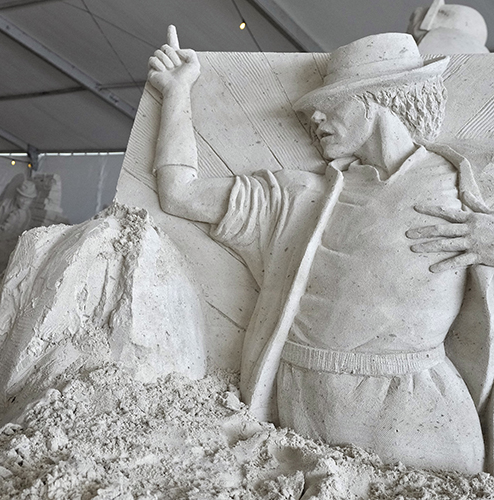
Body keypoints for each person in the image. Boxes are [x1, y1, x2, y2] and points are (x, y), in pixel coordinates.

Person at [148, 27, 494, 473]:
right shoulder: (300, 197)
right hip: (307, 412)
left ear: (379, 98)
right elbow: (179, 194)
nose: (314, 117)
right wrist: (177, 91)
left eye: (330, 103)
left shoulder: (470, 182)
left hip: (421, 420)